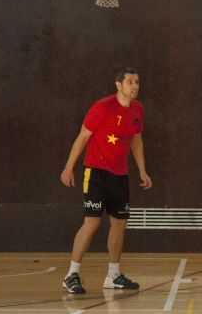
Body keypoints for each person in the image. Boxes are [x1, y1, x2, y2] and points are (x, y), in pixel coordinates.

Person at [60, 67, 152, 294]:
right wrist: (68, 167)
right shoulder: (103, 107)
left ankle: (113, 275)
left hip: (120, 175)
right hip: (96, 172)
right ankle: (71, 274)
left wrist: (142, 170)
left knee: (120, 224)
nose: (135, 86)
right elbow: (82, 138)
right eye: (130, 82)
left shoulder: (138, 110)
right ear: (119, 85)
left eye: (137, 82)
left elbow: (136, 140)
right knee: (92, 222)